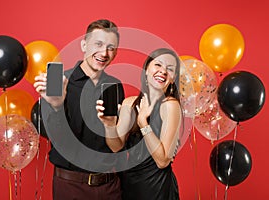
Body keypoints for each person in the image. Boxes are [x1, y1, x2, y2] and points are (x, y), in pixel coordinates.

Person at [34, 19, 125, 200]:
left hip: (110, 187)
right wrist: (57, 105)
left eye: (111, 47)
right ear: (84, 45)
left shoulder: (114, 86)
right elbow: (59, 141)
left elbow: (117, 144)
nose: (104, 53)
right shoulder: (59, 82)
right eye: (98, 44)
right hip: (70, 187)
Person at [96, 48, 183, 199]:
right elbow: (116, 146)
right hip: (130, 185)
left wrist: (143, 122)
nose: (163, 71)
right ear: (147, 70)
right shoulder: (129, 103)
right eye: (158, 65)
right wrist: (109, 124)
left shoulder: (170, 105)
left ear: (173, 78)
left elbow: (162, 161)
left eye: (170, 69)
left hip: (157, 187)